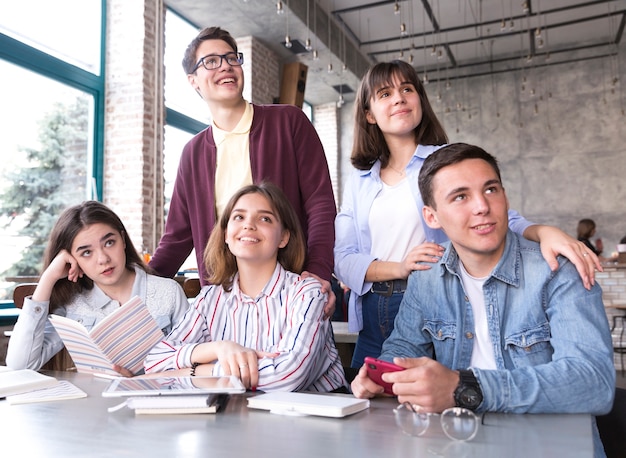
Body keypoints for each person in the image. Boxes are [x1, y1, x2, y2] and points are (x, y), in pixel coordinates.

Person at [350, 143, 614, 456]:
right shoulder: (426, 277)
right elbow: (402, 350)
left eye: (491, 190)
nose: (481, 206)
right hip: (456, 444)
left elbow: (593, 382)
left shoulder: (558, 269)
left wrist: (463, 387)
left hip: (549, 446)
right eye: (460, 196)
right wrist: (384, 378)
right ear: (432, 217)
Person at [333, 60, 601, 368]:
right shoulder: (360, 180)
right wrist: (401, 266)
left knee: (431, 397)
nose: (399, 98)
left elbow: (489, 216)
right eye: (385, 93)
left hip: (431, 296)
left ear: (420, 99)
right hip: (371, 306)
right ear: (368, 113)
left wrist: (542, 232)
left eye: (407, 89)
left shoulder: (443, 164)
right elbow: (343, 258)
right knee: (371, 392)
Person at [148, 26, 336, 318]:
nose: (225, 65)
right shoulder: (193, 153)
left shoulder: (289, 122)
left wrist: (319, 270)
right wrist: (135, 285)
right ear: (194, 81)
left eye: (231, 58)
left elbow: (320, 204)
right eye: (211, 61)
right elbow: (175, 239)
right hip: (225, 303)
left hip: (292, 293)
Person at [145, 182, 348, 393]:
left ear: (284, 237)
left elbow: (286, 377)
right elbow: (154, 362)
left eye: (265, 219)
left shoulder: (308, 293)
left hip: (311, 419)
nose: (248, 225)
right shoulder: (210, 299)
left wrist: (195, 372)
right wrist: (219, 348)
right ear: (225, 234)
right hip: (236, 419)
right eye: (239, 217)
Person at [6, 201, 190, 374]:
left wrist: (142, 379)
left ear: (123, 240)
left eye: (109, 243)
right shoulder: (72, 304)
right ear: (72, 259)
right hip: (94, 404)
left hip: (156, 402)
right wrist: (48, 277)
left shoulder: (169, 293)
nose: (103, 259)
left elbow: (194, 363)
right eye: (86, 252)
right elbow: (21, 365)